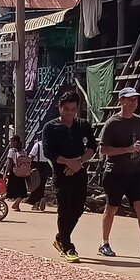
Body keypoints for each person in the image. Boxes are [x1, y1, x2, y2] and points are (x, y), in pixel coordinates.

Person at [98, 87, 140, 259]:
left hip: (135, 172)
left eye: (135, 100)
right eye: (130, 100)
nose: (133, 103)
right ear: (121, 101)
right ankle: (104, 243)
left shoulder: (139, 121)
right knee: (111, 207)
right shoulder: (112, 123)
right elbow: (104, 149)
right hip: (115, 172)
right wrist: (126, 149)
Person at [42, 91, 97, 263]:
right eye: (66, 109)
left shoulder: (83, 125)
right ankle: (67, 246)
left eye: (73, 109)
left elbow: (92, 147)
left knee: (78, 209)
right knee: (64, 209)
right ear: (60, 108)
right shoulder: (50, 127)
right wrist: (67, 162)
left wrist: (78, 162)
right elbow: (48, 152)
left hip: (79, 172)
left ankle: (60, 237)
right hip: (60, 174)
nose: (69, 112)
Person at [26, 132, 52, 211]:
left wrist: (27, 164)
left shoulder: (37, 145)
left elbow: (31, 156)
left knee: (34, 184)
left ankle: (36, 203)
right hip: (45, 166)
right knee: (42, 184)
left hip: (37, 166)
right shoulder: (48, 145)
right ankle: (41, 198)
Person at [5, 135, 29, 212]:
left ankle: (1, 200)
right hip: (22, 172)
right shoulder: (23, 151)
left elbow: (9, 162)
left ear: (15, 142)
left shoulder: (12, 151)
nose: (10, 143)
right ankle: (16, 204)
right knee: (22, 191)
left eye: (11, 141)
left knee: (10, 189)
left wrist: (6, 173)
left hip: (14, 172)